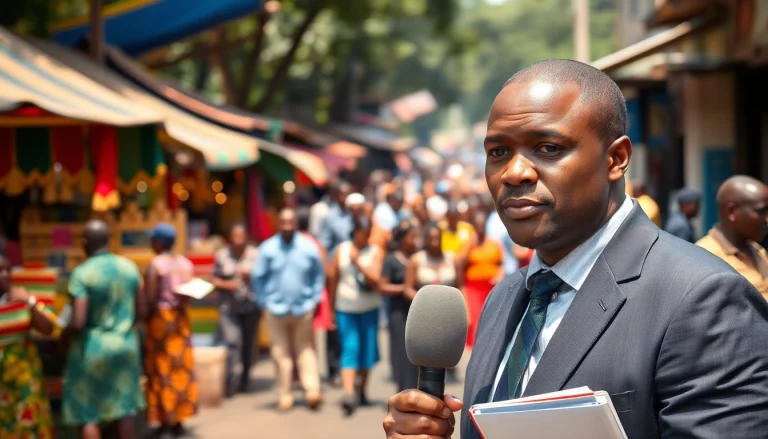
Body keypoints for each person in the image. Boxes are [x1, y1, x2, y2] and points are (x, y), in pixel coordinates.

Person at [384, 59, 768, 439]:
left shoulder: (703, 299)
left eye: (548, 147)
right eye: (498, 152)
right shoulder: (504, 299)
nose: (514, 173)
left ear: (616, 159)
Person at [62, 220, 146, 439]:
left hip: (92, 350)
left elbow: (78, 322)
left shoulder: (82, 273)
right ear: (108, 240)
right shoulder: (129, 267)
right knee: (124, 410)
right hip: (126, 346)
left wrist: (63, 336)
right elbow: (142, 310)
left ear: (85, 242)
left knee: (87, 412)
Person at [253, 208, 325, 411]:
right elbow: (257, 277)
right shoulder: (267, 248)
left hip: (303, 308)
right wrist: (263, 302)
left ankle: (312, 391)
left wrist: (314, 299)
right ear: (278, 224)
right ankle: (285, 395)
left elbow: (318, 274)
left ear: (295, 224)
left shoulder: (308, 247)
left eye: (290, 222)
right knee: (280, 354)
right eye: (283, 222)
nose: (286, 226)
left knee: (305, 351)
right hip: (275, 309)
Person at [144, 223, 198, 436]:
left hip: (161, 321)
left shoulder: (156, 265)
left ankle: (166, 419)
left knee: (162, 368)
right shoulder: (185, 263)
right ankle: (179, 419)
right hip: (181, 319)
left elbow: (149, 299)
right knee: (181, 368)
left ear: (159, 242)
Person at [328, 215, 384, 416]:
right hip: (346, 308)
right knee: (350, 348)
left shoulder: (375, 251)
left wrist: (358, 262)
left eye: (368, 235)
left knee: (367, 352)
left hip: (369, 308)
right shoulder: (341, 250)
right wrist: (330, 308)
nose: (364, 238)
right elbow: (333, 279)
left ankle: (362, 391)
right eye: (362, 234)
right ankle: (349, 393)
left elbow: (375, 279)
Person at [0, 255, 55, 438]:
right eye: (0, 271)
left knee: (29, 422)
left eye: (8, 270)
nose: (5, 275)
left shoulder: (21, 297)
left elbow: (48, 327)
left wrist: (29, 302)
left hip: (25, 377)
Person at [697, 176, 768, 300]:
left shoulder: (758, 251)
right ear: (732, 212)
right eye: (761, 211)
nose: (766, 219)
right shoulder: (704, 257)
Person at [212, 223, 260, 397]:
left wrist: (251, 277)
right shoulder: (222, 256)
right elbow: (215, 280)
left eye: (242, 236)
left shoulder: (256, 255)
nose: (238, 240)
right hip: (229, 306)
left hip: (250, 306)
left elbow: (265, 277)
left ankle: (245, 379)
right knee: (232, 341)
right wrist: (227, 285)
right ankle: (230, 381)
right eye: (235, 236)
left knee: (248, 343)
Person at [379, 221, 420, 392]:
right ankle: (402, 388)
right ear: (402, 239)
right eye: (411, 237)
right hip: (399, 312)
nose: (415, 241)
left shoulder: (418, 257)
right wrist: (404, 288)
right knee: (401, 352)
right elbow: (382, 286)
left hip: (417, 312)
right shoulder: (391, 259)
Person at [458, 211, 504, 348]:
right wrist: (469, 246)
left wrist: (499, 275)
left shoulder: (493, 244)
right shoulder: (467, 245)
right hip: (474, 287)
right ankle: (476, 347)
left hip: (489, 287)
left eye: (482, 226)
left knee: (490, 316)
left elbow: (500, 263)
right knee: (475, 317)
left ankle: (488, 344)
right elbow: (459, 263)